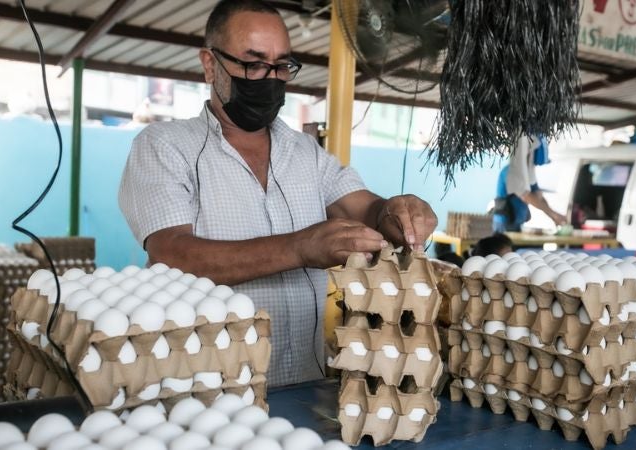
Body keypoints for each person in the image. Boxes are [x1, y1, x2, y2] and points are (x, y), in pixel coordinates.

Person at [118, 0, 437, 387]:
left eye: (281, 65)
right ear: (209, 64)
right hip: (209, 396)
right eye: (252, 64)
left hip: (304, 387)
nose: (269, 78)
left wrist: (398, 212)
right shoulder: (165, 146)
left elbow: (367, 209)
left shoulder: (306, 153)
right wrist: (299, 248)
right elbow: (172, 253)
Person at [493, 134, 567, 233]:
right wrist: (553, 214)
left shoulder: (528, 174)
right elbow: (526, 196)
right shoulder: (512, 171)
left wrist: (554, 216)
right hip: (504, 223)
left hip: (518, 221)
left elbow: (539, 196)